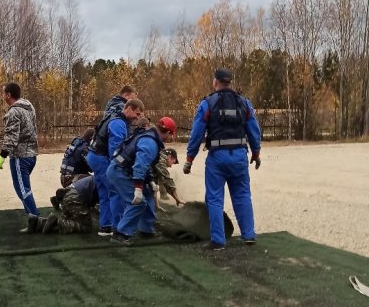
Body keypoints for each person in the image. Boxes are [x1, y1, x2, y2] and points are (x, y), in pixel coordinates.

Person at [183, 68, 261, 250]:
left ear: (215, 82)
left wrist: (189, 158)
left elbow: (196, 133)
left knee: (215, 197)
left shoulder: (207, 104)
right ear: (230, 82)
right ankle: (248, 235)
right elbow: (254, 130)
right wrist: (256, 153)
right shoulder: (244, 103)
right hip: (240, 155)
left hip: (217, 157)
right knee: (242, 195)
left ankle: (218, 241)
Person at [108, 117, 176, 245]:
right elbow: (140, 165)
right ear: (167, 132)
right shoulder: (150, 142)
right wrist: (138, 188)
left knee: (149, 192)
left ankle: (146, 229)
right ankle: (121, 234)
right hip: (120, 172)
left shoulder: (149, 135)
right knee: (138, 202)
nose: (170, 138)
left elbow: (146, 164)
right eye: (170, 135)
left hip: (124, 169)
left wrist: (150, 181)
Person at [86, 99, 144, 236]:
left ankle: (105, 226)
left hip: (94, 156)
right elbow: (116, 150)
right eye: (137, 114)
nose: (138, 118)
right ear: (128, 108)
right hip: (101, 158)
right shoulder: (118, 123)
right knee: (116, 191)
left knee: (104, 192)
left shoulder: (113, 116)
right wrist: (122, 169)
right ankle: (118, 227)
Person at [0, 82, 40, 222]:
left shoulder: (13, 112)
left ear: (9, 95)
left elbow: (11, 137)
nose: (2, 96)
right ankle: (32, 217)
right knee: (23, 188)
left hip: (20, 157)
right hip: (32, 154)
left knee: (22, 189)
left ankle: (36, 220)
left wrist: (2, 155)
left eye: (3, 93)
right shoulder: (29, 106)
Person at [23, 175, 98, 234]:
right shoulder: (105, 178)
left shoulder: (102, 175)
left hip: (70, 195)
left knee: (72, 221)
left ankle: (38, 222)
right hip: (75, 197)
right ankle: (57, 221)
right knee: (86, 227)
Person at [52, 127, 95, 211]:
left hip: (65, 177)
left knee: (88, 180)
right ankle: (85, 205)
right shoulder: (84, 149)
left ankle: (59, 197)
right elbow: (93, 168)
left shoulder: (77, 142)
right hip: (72, 178)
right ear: (91, 138)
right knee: (93, 183)